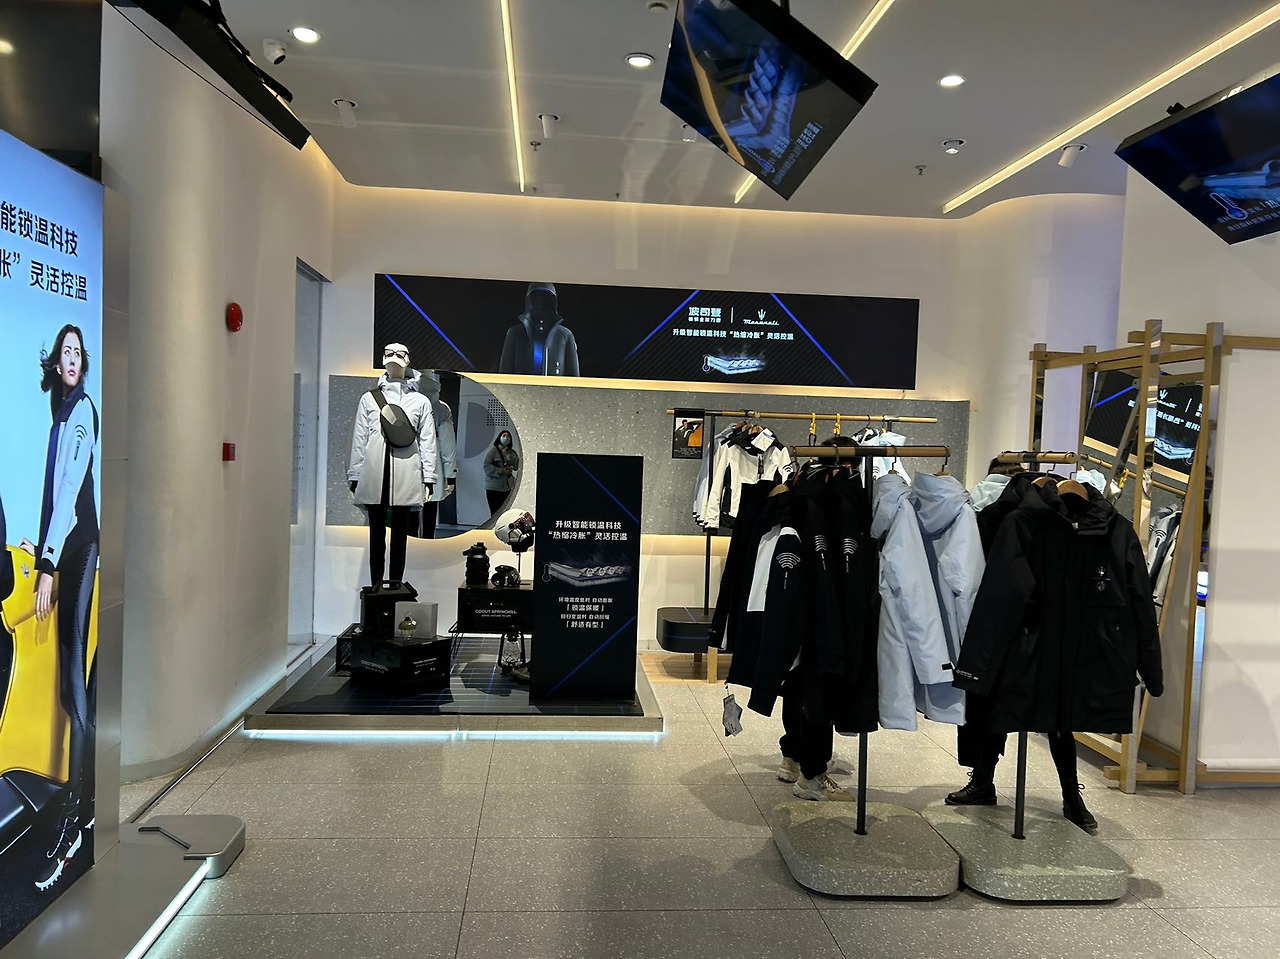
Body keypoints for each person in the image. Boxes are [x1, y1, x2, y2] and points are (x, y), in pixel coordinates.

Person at [946, 457, 1097, 832]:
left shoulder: (1076, 516)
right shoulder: (1010, 516)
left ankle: (1069, 794)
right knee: (1001, 704)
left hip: (1050, 627)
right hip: (1017, 625)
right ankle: (986, 782)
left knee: (1051, 714)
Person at [25, 324, 99, 890]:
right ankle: (84, 799)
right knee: (68, 689)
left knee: (74, 690)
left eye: (77, 352)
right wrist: (40, 549)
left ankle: (77, 816)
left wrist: (48, 563)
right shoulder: (60, 413)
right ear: (55, 363)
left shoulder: (82, 412)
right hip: (64, 549)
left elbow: (72, 490)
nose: (71, 358)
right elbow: (52, 496)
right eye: (64, 352)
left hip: (79, 551)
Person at [484, 430, 520, 517]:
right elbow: (486, 466)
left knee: (506, 513)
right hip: (494, 487)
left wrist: (508, 456)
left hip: (507, 487)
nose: (506, 438)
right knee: (495, 512)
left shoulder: (512, 452)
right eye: (504, 436)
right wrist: (501, 471)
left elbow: (516, 466)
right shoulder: (493, 451)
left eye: (508, 437)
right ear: (499, 438)